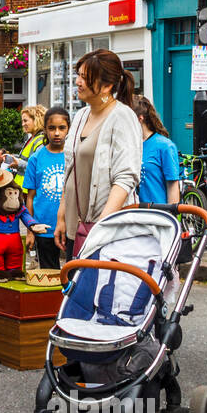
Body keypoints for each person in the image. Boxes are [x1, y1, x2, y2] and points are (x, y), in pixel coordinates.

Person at [54, 50, 142, 259]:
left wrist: (102, 227)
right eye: (78, 75)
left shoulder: (122, 116)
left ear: (106, 85)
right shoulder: (81, 115)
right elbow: (71, 170)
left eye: (85, 77)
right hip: (77, 230)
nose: (77, 82)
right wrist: (62, 215)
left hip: (107, 233)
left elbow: (125, 177)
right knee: (74, 289)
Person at [22, 106, 69, 269]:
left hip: (69, 227)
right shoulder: (36, 159)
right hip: (44, 228)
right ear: (45, 130)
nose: (57, 133)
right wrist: (30, 230)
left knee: (73, 274)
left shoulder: (74, 156)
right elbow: (30, 196)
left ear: (68, 129)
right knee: (50, 274)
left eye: (61, 128)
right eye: (52, 128)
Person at [134, 95, 180, 206]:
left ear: (140, 119)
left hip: (157, 216)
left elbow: (172, 185)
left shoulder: (165, 146)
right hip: (131, 215)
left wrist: (170, 217)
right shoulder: (128, 145)